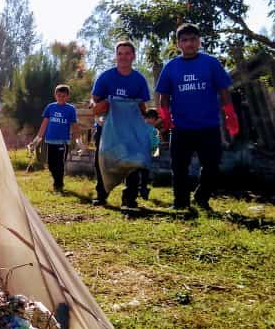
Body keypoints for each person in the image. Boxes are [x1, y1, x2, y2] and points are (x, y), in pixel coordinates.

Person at [155, 23, 239, 212]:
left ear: (199, 41)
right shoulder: (171, 67)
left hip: (208, 125)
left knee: (212, 166)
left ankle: (202, 197)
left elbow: (223, 90)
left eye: (193, 39)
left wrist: (229, 113)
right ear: (178, 44)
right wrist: (165, 116)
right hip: (181, 127)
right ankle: (180, 202)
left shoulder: (211, 63)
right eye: (184, 40)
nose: (189, 43)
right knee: (179, 168)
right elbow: (164, 95)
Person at [90, 40, 150, 208]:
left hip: (130, 130)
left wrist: (147, 123)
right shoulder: (106, 76)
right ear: (115, 56)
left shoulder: (139, 80)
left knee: (133, 162)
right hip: (107, 129)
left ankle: (130, 198)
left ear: (133, 56)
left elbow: (142, 106)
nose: (123, 57)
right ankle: (101, 195)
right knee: (102, 160)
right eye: (120, 53)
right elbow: (94, 101)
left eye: (127, 53)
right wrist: (99, 107)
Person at [33, 84, 79, 192]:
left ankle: (58, 185)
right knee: (51, 164)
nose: (61, 98)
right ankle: (57, 181)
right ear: (55, 95)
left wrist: (78, 141)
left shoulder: (70, 109)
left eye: (63, 96)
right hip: (50, 140)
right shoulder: (50, 107)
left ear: (68, 96)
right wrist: (38, 138)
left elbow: (74, 125)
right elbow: (44, 123)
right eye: (59, 95)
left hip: (63, 141)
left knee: (60, 164)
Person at [138, 108, 160, 200]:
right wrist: (155, 152)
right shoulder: (154, 130)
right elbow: (155, 144)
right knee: (145, 175)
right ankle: (143, 191)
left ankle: (135, 190)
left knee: (135, 174)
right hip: (146, 157)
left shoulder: (139, 127)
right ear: (154, 119)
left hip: (136, 155)